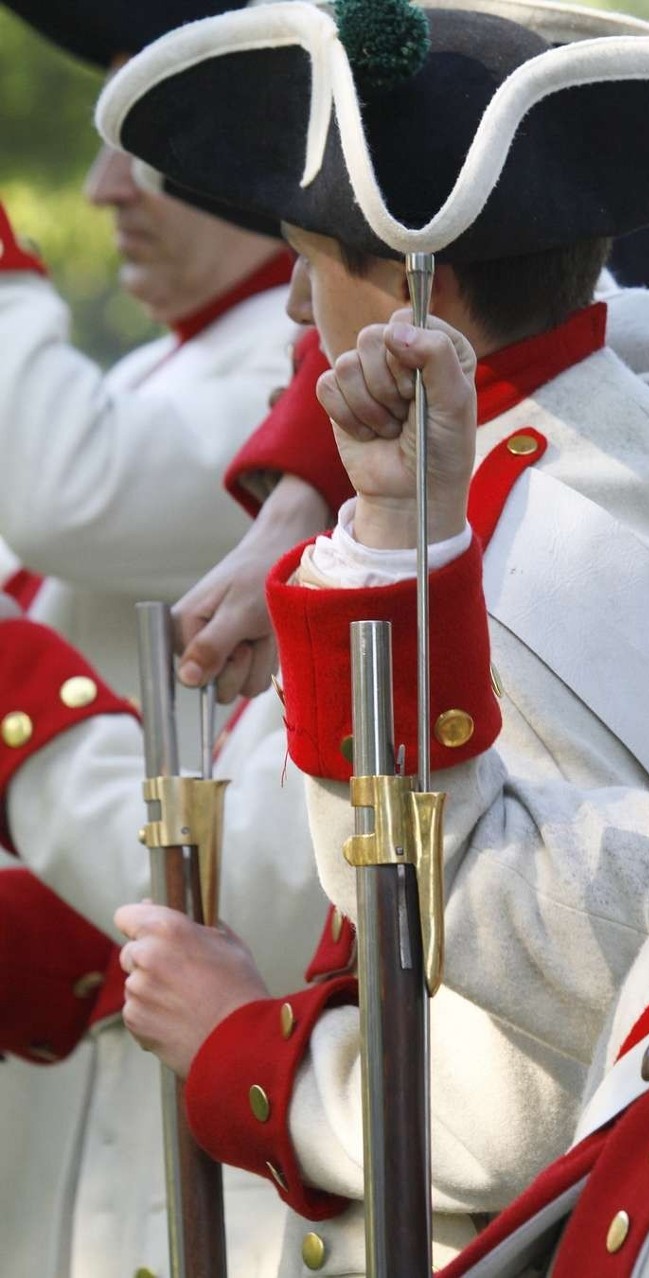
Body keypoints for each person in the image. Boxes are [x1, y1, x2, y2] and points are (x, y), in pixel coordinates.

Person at [94, 1, 649, 1270]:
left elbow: (519, 1104)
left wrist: (241, 1051)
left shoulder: (511, 572)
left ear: (425, 294)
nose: (300, 313)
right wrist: (312, 492)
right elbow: (638, 320)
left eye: (314, 259)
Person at [0, 4, 333, 1274]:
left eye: (156, 146)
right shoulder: (182, 364)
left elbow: (62, 494)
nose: (102, 191)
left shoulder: (280, 373)